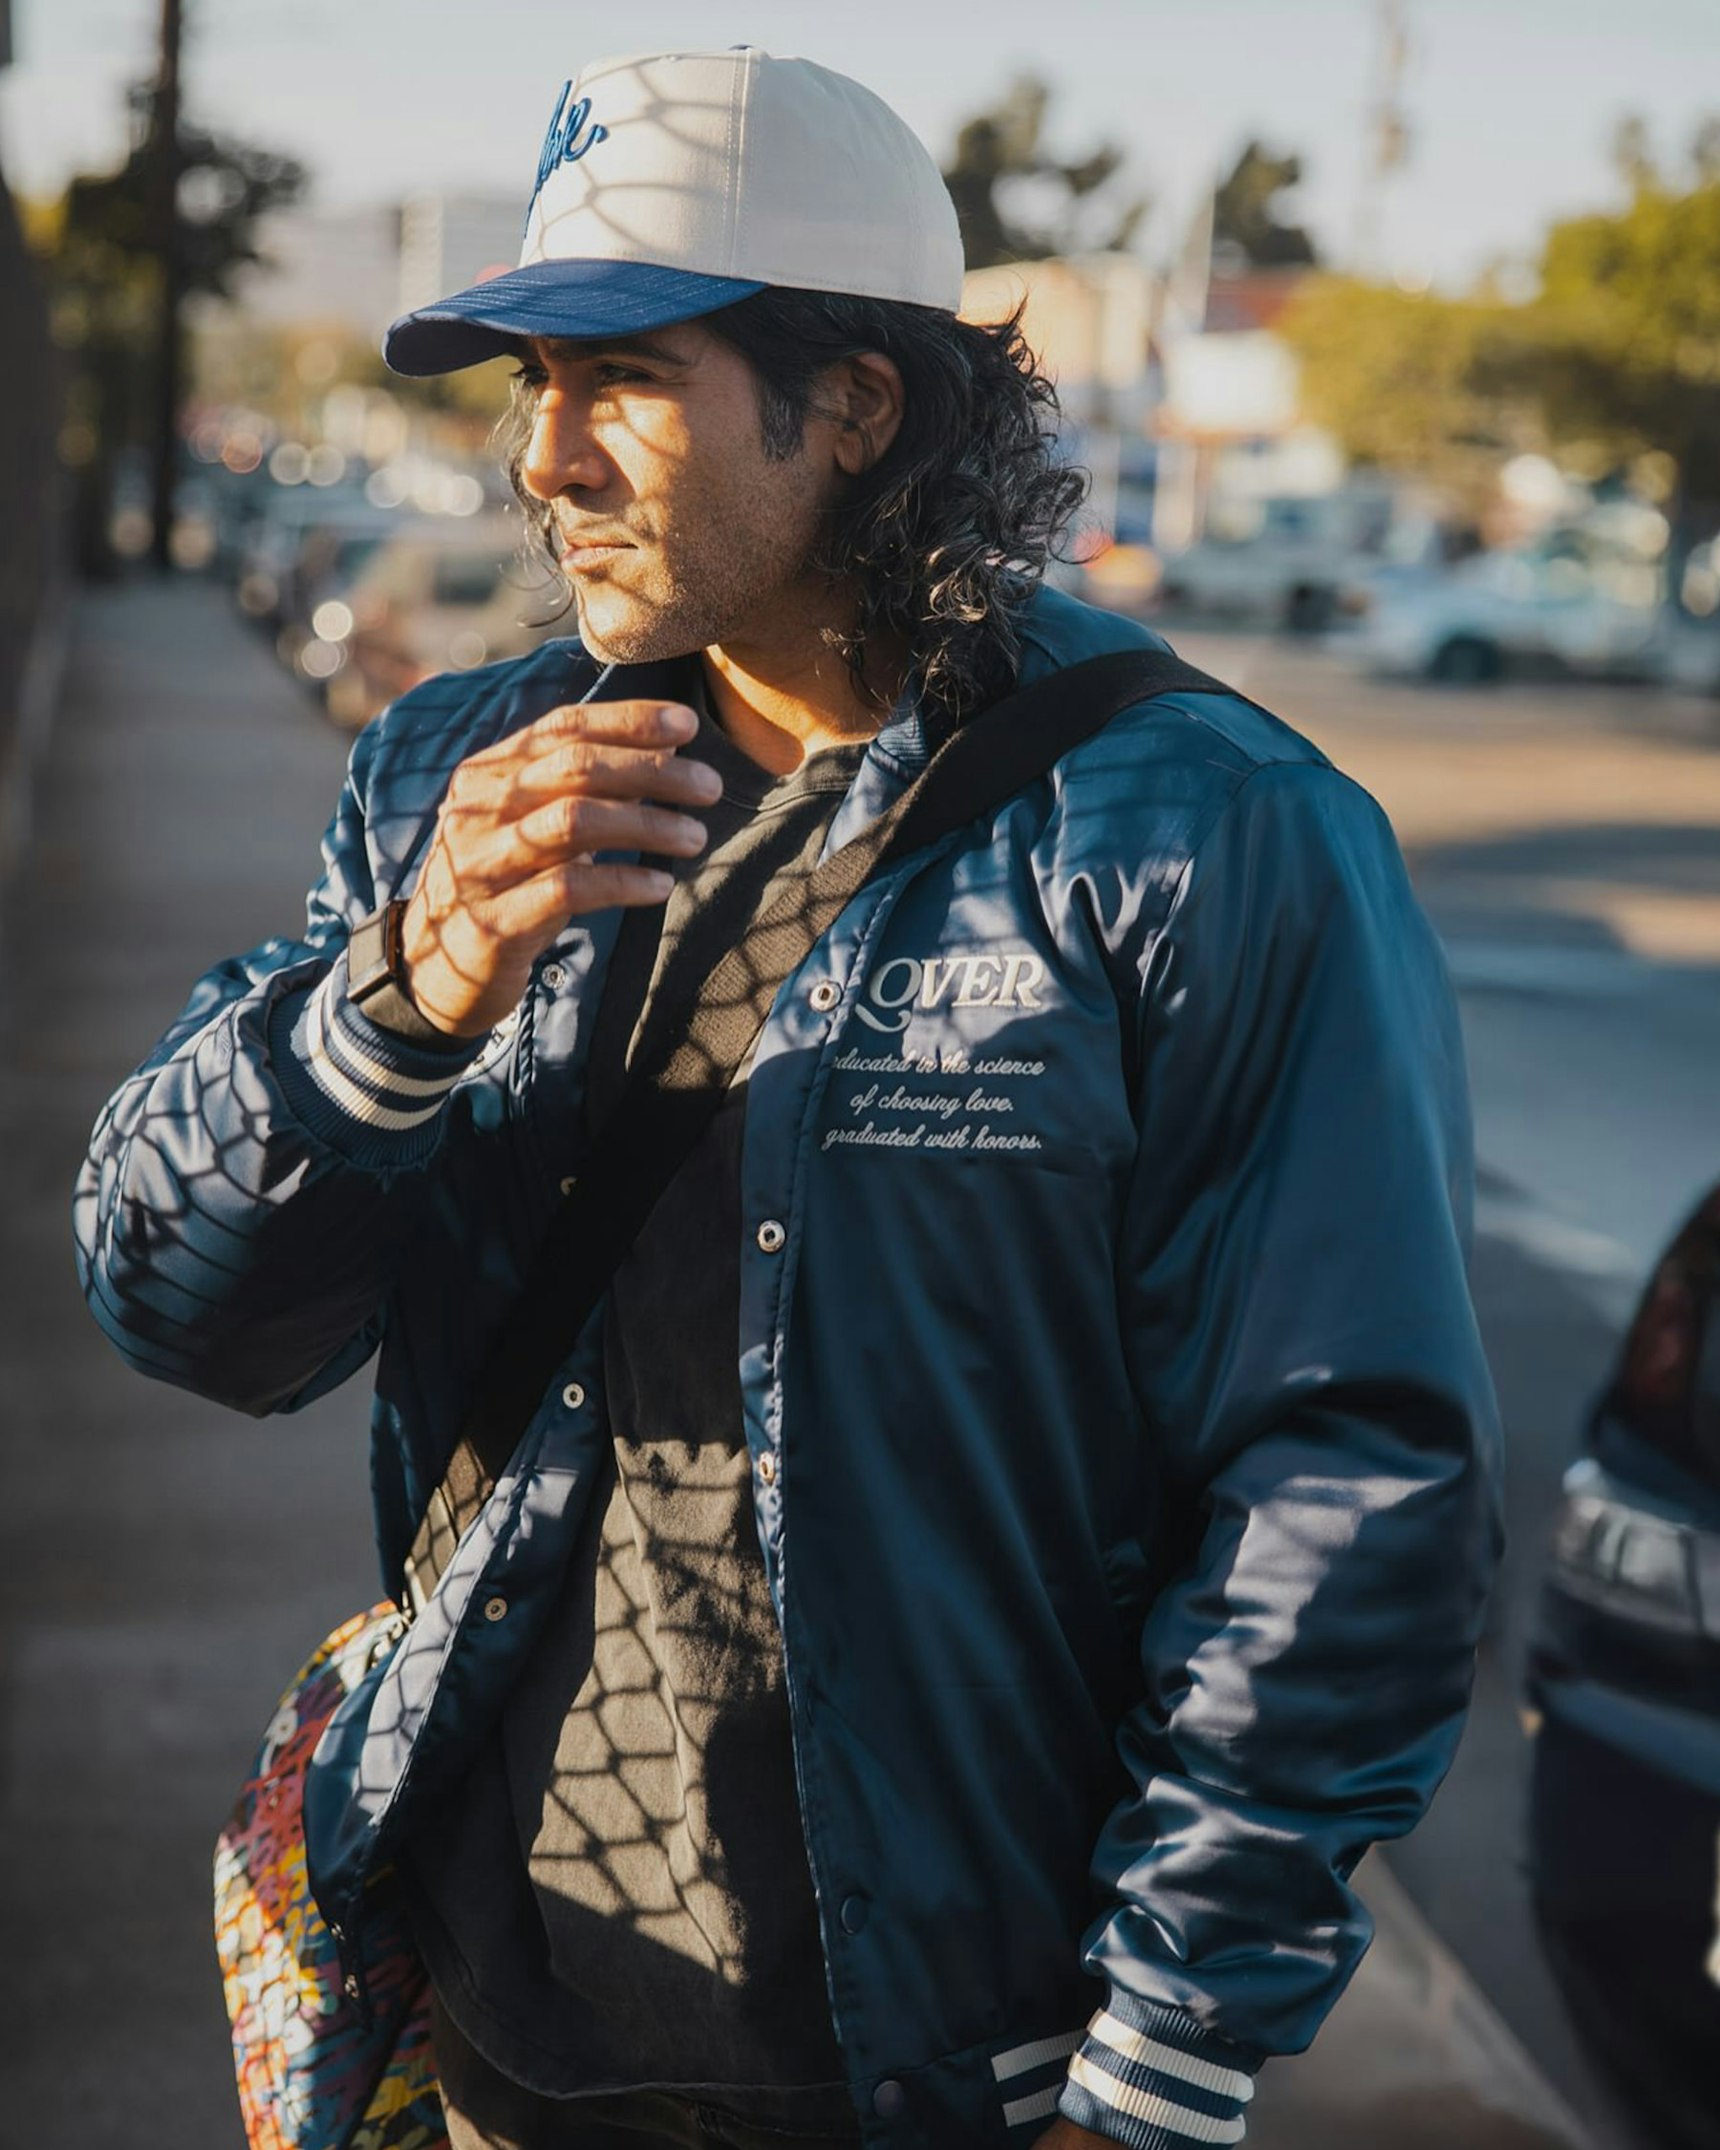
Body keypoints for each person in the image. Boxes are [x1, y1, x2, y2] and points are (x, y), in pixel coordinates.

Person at [75, 46, 1501, 2150]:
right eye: (520, 386)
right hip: (491, 2028)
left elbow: (1343, 1486)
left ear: (855, 404)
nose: (541, 460)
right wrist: (401, 1001)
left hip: (939, 2066)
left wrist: (1161, 2058)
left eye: (619, 378)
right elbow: (181, 1306)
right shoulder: (452, 780)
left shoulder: (1198, 833)